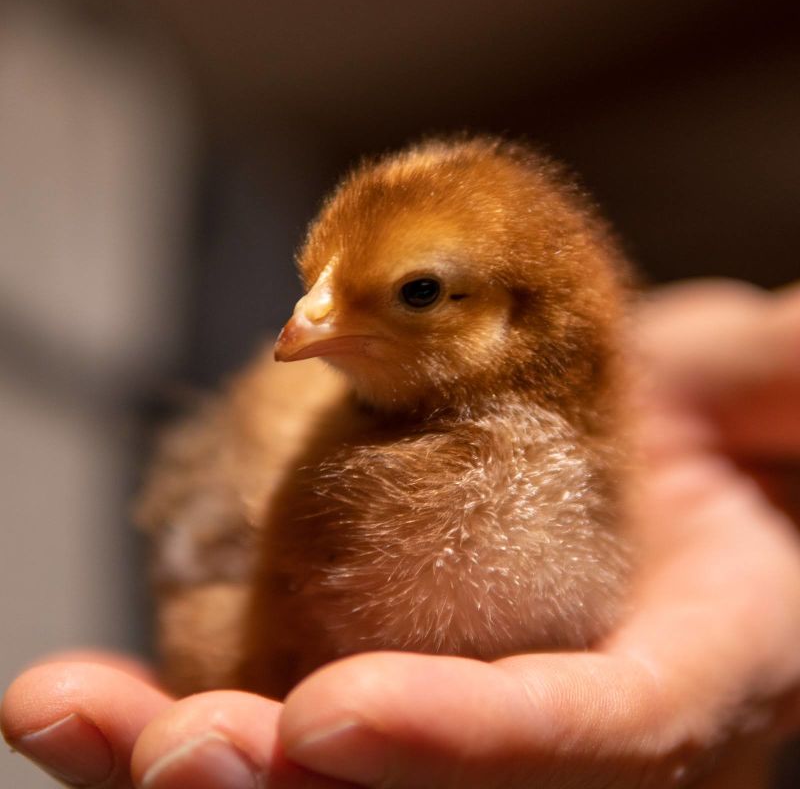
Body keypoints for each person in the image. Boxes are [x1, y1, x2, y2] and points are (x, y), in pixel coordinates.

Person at [3, 279, 799, 789]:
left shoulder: (595, 448)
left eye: (417, 292)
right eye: (313, 281)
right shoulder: (282, 446)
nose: (305, 316)